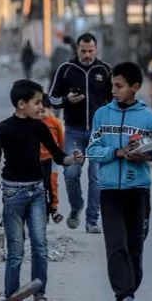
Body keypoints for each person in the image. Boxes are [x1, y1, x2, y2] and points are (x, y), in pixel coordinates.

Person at [85, 61, 152, 301]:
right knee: (115, 244)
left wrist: (147, 155)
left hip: (137, 190)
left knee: (135, 245)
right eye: (112, 85)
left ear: (135, 88)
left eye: (119, 86)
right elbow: (91, 150)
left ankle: (130, 291)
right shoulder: (102, 115)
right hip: (109, 190)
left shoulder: (148, 118)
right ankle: (123, 297)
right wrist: (115, 152)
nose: (113, 90)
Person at [0, 79, 83, 301]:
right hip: (12, 194)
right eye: (37, 103)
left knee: (40, 246)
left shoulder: (40, 127)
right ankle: (11, 299)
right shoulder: (4, 128)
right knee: (16, 251)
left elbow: (59, 156)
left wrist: (73, 158)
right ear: (21, 104)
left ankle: (39, 296)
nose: (42, 107)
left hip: (38, 192)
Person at [47, 33, 112, 234]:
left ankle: (92, 220)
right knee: (71, 173)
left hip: (98, 134)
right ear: (77, 49)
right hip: (74, 131)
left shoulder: (105, 70)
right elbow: (51, 99)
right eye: (83, 51)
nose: (87, 55)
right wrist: (67, 99)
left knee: (97, 177)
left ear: (96, 49)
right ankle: (76, 207)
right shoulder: (66, 70)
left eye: (90, 51)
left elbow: (114, 101)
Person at [38, 101, 66, 225]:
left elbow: (61, 140)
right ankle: (42, 211)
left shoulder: (55, 123)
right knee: (40, 186)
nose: (41, 114)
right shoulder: (35, 123)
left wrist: (60, 155)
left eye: (43, 111)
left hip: (51, 158)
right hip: (37, 159)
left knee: (52, 183)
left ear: (50, 109)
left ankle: (53, 208)